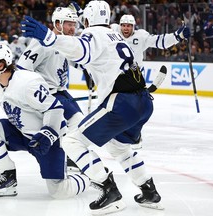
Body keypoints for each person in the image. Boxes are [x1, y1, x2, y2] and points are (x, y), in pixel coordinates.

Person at [20, 1, 171, 215]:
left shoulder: (92, 35)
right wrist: (83, 16)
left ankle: (109, 192)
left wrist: (50, 37)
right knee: (119, 148)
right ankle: (149, 192)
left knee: (72, 141)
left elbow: (81, 48)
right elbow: (94, 36)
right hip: (143, 101)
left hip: (121, 102)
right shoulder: (115, 34)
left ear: (88, 21)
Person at [0, 43, 90, 198]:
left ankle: (89, 178)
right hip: (24, 135)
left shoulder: (28, 83)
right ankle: (8, 179)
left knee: (60, 192)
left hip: (48, 140)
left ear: (1, 64)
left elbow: (55, 108)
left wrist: (48, 134)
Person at [16, 7, 85, 171]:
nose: (72, 28)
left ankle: (69, 155)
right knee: (75, 123)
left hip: (60, 91)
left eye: (74, 24)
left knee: (79, 123)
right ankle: (68, 156)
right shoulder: (41, 43)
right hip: (48, 94)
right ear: (57, 23)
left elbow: (77, 60)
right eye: (69, 24)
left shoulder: (63, 41)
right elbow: (22, 69)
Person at [110, 14, 190, 149]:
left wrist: (177, 36)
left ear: (133, 27)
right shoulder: (112, 33)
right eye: (123, 25)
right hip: (114, 77)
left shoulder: (141, 36)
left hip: (135, 77)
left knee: (137, 107)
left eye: (129, 26)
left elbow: (159, 41)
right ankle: (120, 134)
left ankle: (133, 135)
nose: (125, 28)